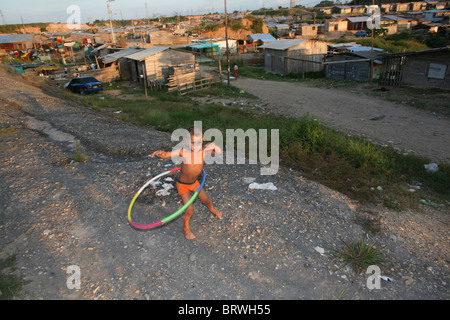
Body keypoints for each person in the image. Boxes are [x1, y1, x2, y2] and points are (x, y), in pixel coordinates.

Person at [151, 126, 222, 239]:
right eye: (193, 142)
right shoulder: (183, 152)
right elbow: (167, 154)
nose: (196, 145)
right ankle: (186, 228)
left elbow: (218, 152)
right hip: (182, 185)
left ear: (202, 139)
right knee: (189, 210)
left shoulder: (204, 151)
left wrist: (214, 145)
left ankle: (212, 208)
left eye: (199, 142)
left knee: (206, 199)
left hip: (195, 183)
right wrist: (161, 153)